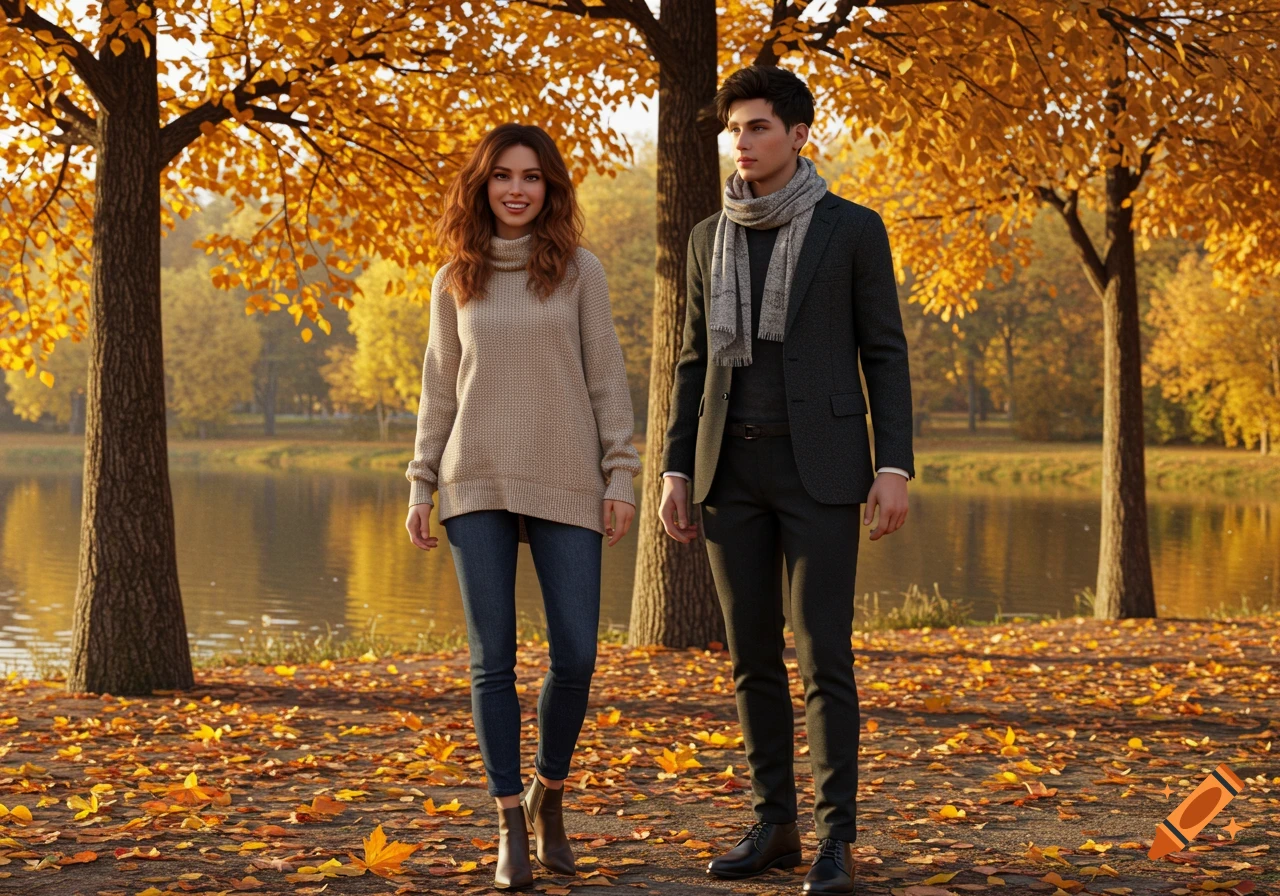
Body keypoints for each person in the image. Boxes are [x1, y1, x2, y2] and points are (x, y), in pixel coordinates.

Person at [658, 66, 914, 896]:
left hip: (824, 472)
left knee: (822, 656)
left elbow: (885, 352)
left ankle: (837, 838)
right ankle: (775, 825)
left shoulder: (851, 230)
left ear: (799, 134)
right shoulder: (708, 237)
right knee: (749, 660)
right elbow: (692, 361)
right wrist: (673, 467)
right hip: (730, 471)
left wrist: (893, 465)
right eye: (735, 128)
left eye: (759, 127)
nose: (743, 141)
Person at [404, 122, 640, 890]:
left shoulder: (579, 272)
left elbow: (607, 379)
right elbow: (439, 390)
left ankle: (551, 791)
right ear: (482, 185)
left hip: (567, 478)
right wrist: (420, 484)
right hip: (475, 481)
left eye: (531, 177)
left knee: (575, 655)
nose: (516, 188)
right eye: (503, 175)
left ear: (550, 189)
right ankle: (510, 820)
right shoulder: (454, 280)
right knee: (490, 663)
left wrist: (620, 476)